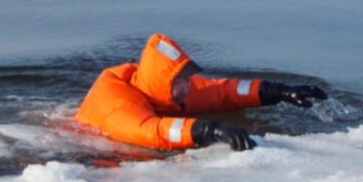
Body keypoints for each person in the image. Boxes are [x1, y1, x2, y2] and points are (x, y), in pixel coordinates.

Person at [75, 34, 327, 151]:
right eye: (180, 81)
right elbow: (152, 131)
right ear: (162, 82)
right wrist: (211, 131)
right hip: (86, 146)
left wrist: (280, 91)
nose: (188, 86)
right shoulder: (119, 104)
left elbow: (223, 92)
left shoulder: (167, 89)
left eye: (186, 79)